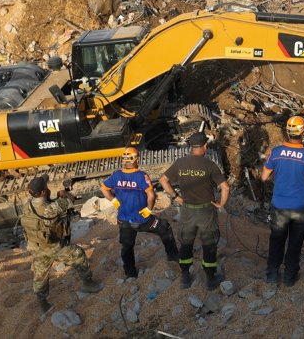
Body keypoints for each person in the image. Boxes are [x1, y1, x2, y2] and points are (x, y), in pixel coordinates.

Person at [19, 174, 102, 317]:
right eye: (46, 187)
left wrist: (57, 196)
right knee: (79, 255)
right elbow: (68, 201)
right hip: (53, 247)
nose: (48, 188)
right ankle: (88, 284)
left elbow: (46, 206)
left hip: (36, 247)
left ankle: (43, 304)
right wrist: (65, 194)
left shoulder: (27, 205)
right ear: (44, 192)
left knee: (40, 275)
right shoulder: (50, 208)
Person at [160, 131, 230, 291]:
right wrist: (220, 204)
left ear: (191, 146)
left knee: (186, 243)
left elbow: (163, 180)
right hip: (206, 212)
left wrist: (176, 197)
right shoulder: (209, 165)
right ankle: (211, 279)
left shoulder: (180, 163)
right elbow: (225, 187)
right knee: (209, 244)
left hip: (187, 211)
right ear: (205, 145)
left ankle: (185, 277)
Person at [260, 115, 304, 287]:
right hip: (301, 208)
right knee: (295, 242)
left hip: (279, 206)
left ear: (288, 132)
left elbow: (264, 177)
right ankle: (289, 277)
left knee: (277, 239)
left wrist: (278, 176)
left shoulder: (276, 152)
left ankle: (272, 274)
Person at [101, 147, 179, 278]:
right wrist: (148, 209)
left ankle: (130, 273)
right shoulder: (142, 176)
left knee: (127, 246)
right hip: (142, 220)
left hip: (123, 220)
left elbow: (104, 188)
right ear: (137, 159)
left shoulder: (116, 175)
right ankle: (173, 257)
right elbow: (151, 195)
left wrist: (113, 200)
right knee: (164, 227)